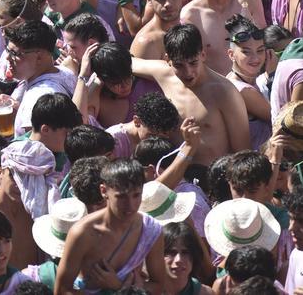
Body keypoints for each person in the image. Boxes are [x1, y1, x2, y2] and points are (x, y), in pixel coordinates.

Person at [130, 24, 251, 166]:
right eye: (179, 65)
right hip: (174, 176)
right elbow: (128, 62)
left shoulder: (225, 92)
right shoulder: (163, 74)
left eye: (193, 63)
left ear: (203, 55)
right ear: (168, 60)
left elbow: (243, 153)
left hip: (212, 179)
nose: (188, 72)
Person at [54, 159, 169, 294]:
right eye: (121, 197)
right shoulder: (83, 233)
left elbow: (158, 285)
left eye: (136, 195)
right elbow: (62, 290)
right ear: (104, 191)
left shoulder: (151, 230)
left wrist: (120, 287)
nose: (130, 205)